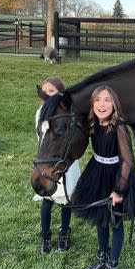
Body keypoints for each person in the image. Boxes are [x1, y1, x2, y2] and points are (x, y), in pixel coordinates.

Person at [71, 85, 135, 269]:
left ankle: (112, 267)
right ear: (92, 105)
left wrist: (119, 190)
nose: (102, 104)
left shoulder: (119, 127)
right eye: (97, 100)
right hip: (96, 172)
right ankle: (102, 256)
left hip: (116, 176)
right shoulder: (93, 124)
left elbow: (127, 161)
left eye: (107, 100)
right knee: (100, 218)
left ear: (114, 104)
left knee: (115, 221)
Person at [33, 77, 81, 254]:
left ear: (61, 92)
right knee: (47, 201)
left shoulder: (68, 112)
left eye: (52, 91)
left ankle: (64, 233)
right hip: (49, 161)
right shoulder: (41, 112)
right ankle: (45, 236)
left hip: (64, 161)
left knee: (65, 200)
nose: (48, 94)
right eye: (45, 92)